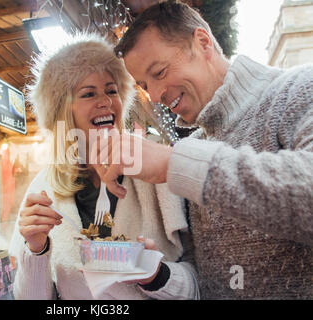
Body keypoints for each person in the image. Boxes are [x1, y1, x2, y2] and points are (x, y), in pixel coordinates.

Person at [93, 0, 313, 299]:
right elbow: (208, 277)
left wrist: (173, 164)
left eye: (159, 72)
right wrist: (158, 275)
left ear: (203, 42)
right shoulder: (194, 146)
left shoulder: (299, 88)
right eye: (144, 85)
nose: (155, 96)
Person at [9, 33, 199, 300]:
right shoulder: (43, 188)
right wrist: (36, 249)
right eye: (89, 93)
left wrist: (157, 276)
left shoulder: (154, 171)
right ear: (63, 110)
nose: (106, 101)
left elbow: (200, 283)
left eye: (112, 90)